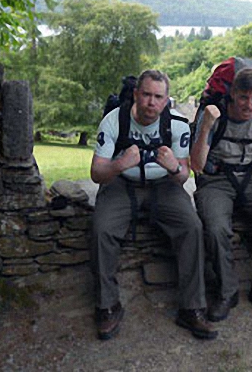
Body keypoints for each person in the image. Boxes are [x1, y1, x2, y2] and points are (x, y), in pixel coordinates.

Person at [90, 70, 217, 340]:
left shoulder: (178, 126)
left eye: (158, 97)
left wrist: (174, 168)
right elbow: (96, 173)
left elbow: (184, 175)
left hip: (164, 185)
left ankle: (192, 308)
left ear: (167, 100)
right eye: (146, 94)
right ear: (136, 95)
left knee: (192, 227)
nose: (151, 102)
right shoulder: (114, 121)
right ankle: (107, 305)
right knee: (102, 229)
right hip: (121, 182)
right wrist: (118, 164)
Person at [191, 67, 252, 322]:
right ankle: (227, 292)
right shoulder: (213, 115)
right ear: (233, 93)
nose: (249, 105)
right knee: (215, 228)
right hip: (214, 180)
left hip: (249, 180)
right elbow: (197, 164)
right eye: (244, 97)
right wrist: (205, 127)